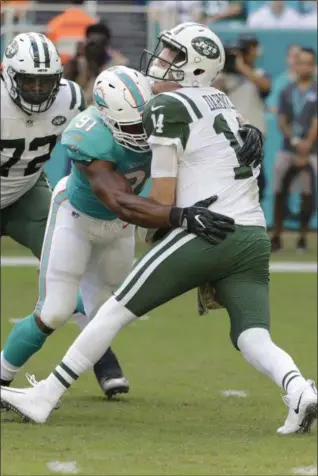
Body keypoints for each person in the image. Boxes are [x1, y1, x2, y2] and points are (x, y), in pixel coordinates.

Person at [2, 23, 316, 436]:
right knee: (252, 335)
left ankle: (44, 396)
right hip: (251, 233)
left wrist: (177, 220)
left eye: (173, 55)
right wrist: (253, 133)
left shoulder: (164, 108)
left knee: (112, 309)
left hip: (201, 228)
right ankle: (299, 391)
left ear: (195, 67)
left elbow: (165, 201)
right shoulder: (220, 100)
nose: (161, 60)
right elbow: (234, 137)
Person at [0, 33, 129, 399]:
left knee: (69, 282)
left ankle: (102, 359)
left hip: (26, 194)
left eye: (46, 81)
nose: (39, 90)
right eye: (29, 81)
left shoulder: (70, 96)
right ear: (9, 75)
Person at [214, 34, 271, 202]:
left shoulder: (259, 73)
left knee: (257, 179)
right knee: (228, 179)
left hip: (254, 134)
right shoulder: (224, 77)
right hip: (230, 134)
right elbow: (214, 92)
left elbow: (265, 86)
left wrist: (241, 67)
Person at [271, 47, 317, 252]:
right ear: (295, 65)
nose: (305, 66)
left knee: (308, 194)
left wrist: (307, 144)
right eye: (302, 62)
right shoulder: (286, 90)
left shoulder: (316, 90)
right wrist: (295, 141)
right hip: (288, 148)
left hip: (312, 150)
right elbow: (281, 120)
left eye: (310, 63)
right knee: (279, 189)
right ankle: (277, 235)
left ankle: (303, 237)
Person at [64, 22, 129, 107]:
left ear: (106, 43)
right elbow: (65, 85)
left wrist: (93, 63)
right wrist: (75, 58)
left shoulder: (119, 64)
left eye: (99, 43)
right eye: (92, 43)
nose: (95, 48)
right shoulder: (80, 61)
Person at [267, 44, 301, 115]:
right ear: (287, 58)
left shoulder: (312, 81)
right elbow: (272, 107)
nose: (297, 60)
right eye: (294, 56)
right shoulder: (278, 82)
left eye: (299, 56)